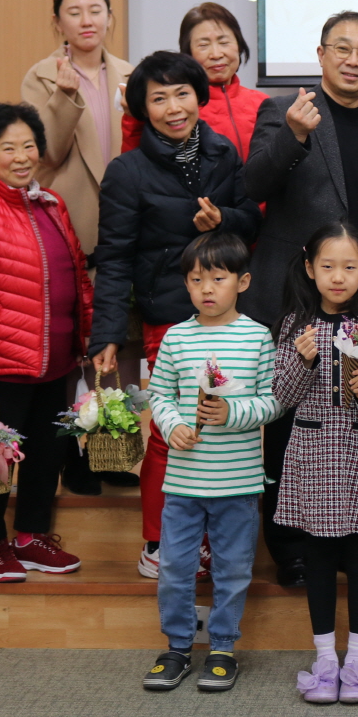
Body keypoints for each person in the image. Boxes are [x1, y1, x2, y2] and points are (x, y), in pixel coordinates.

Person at [88, 51, 262, 577]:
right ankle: (158, 543)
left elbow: (250, 222)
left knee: (220, 427)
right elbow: (114, 258)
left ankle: (208, 541)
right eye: (159, 98)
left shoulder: (223, 152)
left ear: (199, 97)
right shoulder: (127, 171)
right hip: (168, 314)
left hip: (227, 315)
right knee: (172, 430)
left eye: (182, 93)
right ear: (143, 109)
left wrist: (222, 219)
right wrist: (107, 334)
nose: (173, 107)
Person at [245, 11, 358, 584]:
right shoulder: (284, 111)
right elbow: (253, 185)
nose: (353, 60)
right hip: (293, 291)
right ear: (320, 54)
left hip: (357, 295)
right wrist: (293, 137)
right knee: (291, 425)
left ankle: (356, 544)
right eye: (342, 48)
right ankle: (291, 549)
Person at [0, 103, 91, 583]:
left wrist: (86, 334)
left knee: (47, 454)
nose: (22, 156)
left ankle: (30, 537)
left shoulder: (51, 203)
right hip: (2, 363)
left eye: (29, 145)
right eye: (9, 148)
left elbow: (76, 275)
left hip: (57, 359)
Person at [274, 224, 358, 705]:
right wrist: (302, 360)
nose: (338, 277)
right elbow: (281, 395)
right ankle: (325, 659)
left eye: (349, 267)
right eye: (328, 266)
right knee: (317, 557)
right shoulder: (297, 324)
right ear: (310, 269)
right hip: (313, 451)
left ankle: (357, 659)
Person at [141, 232, 278, 693]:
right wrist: (173, 425)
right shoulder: (176, 337)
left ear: (243, 282)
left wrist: (231, 412)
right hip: (183, 484)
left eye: (218, 278)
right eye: (196, 279)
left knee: (233, 571)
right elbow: (160, 395)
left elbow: (273, 401)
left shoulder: (257, 336)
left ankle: (222, 648)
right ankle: (177, 648)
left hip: (238, 485)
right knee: (174, 570)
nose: (206, 289)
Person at [21, 0, 132, 255]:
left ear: (109, 17)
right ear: (58, 22)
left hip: (127, 216)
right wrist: (64, 97)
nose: (86, 21)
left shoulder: (131, 75)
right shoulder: (40, 77)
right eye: (74, 13)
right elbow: (48, 154)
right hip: (67, 216)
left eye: (95, 11)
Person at [122, 2, 268, 160]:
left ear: (239, 46)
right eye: (203, 45)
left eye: (224, 42)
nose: (216, 54)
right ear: (188, 53)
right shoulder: (179, 107)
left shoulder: (263, 103)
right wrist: (132, 117)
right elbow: (136, 164)